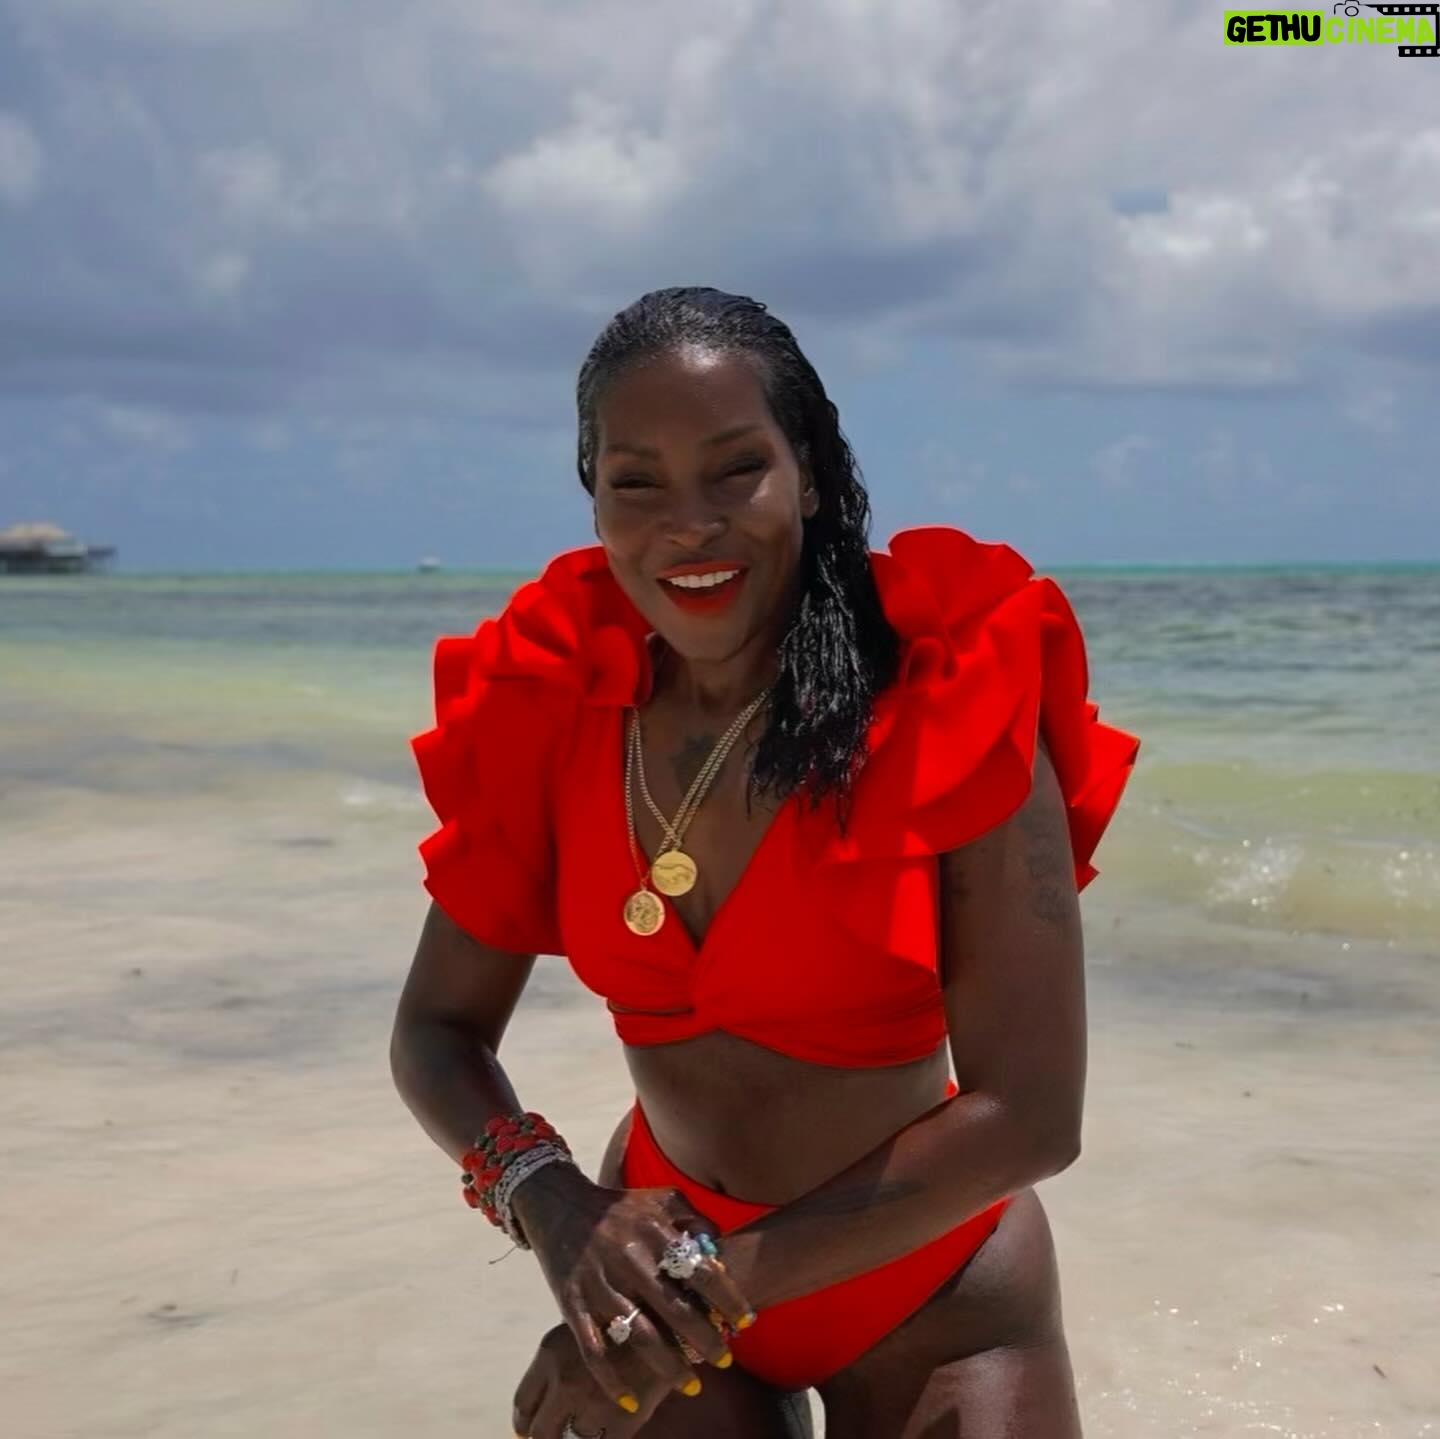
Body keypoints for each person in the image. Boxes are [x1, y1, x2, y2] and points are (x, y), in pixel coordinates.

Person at [390, 286, 1140, 1439]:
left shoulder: (946, 694)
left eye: (737, 469)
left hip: (926, 1288)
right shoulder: (554, 702)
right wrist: (558, 1208)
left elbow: (1032, 1116)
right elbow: (436, 1031)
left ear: (813, 475)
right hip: (657, 1263)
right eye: (636, 482)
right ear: (593, 498)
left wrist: (688, 1296)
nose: (688, 524)